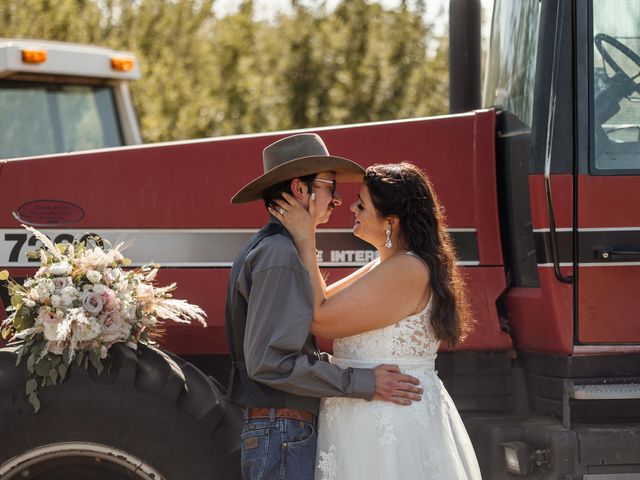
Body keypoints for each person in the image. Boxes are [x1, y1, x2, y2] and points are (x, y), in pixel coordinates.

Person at [225, 134, 424, 480]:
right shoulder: (280, 255)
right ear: (301, 190)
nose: (338, 200)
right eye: (330, 187)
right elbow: (270, 363)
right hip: (282, 430)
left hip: (278, 430)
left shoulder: (277, 249)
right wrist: (361, 381)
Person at [269, 162, 483, 480]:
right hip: (363, 416)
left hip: (389, 427)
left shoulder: (407, 269)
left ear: (390, 222)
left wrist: (306, 237)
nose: (351, 207)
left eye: (362, 203)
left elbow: (320, 318)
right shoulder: (385, 263)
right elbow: (323, 300)